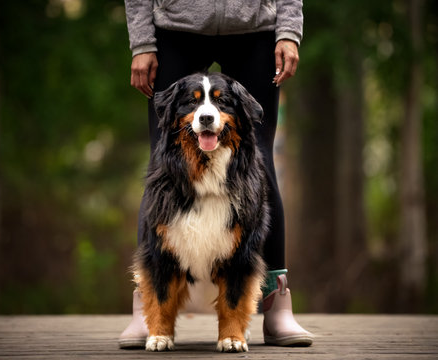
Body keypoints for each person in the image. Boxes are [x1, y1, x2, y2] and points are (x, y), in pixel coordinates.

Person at [119, 0, 313, 348]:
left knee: (261, 163)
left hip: (255, 26)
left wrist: (288, 30)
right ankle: (146, 308)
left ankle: (276, 302)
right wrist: (142, 42)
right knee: (163, 161)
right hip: (175, 26)